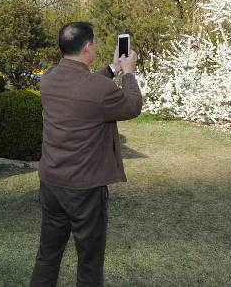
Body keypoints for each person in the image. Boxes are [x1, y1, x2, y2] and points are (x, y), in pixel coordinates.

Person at [30, 22, 142, 287]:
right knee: (89, 261)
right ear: (88, 47)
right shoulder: (96, 89)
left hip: (52, 183)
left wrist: (113, 68)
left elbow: (85, 88)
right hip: (85, 188)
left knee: (48, 254)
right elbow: (132, 105)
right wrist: (128, 73)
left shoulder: (47, 78)